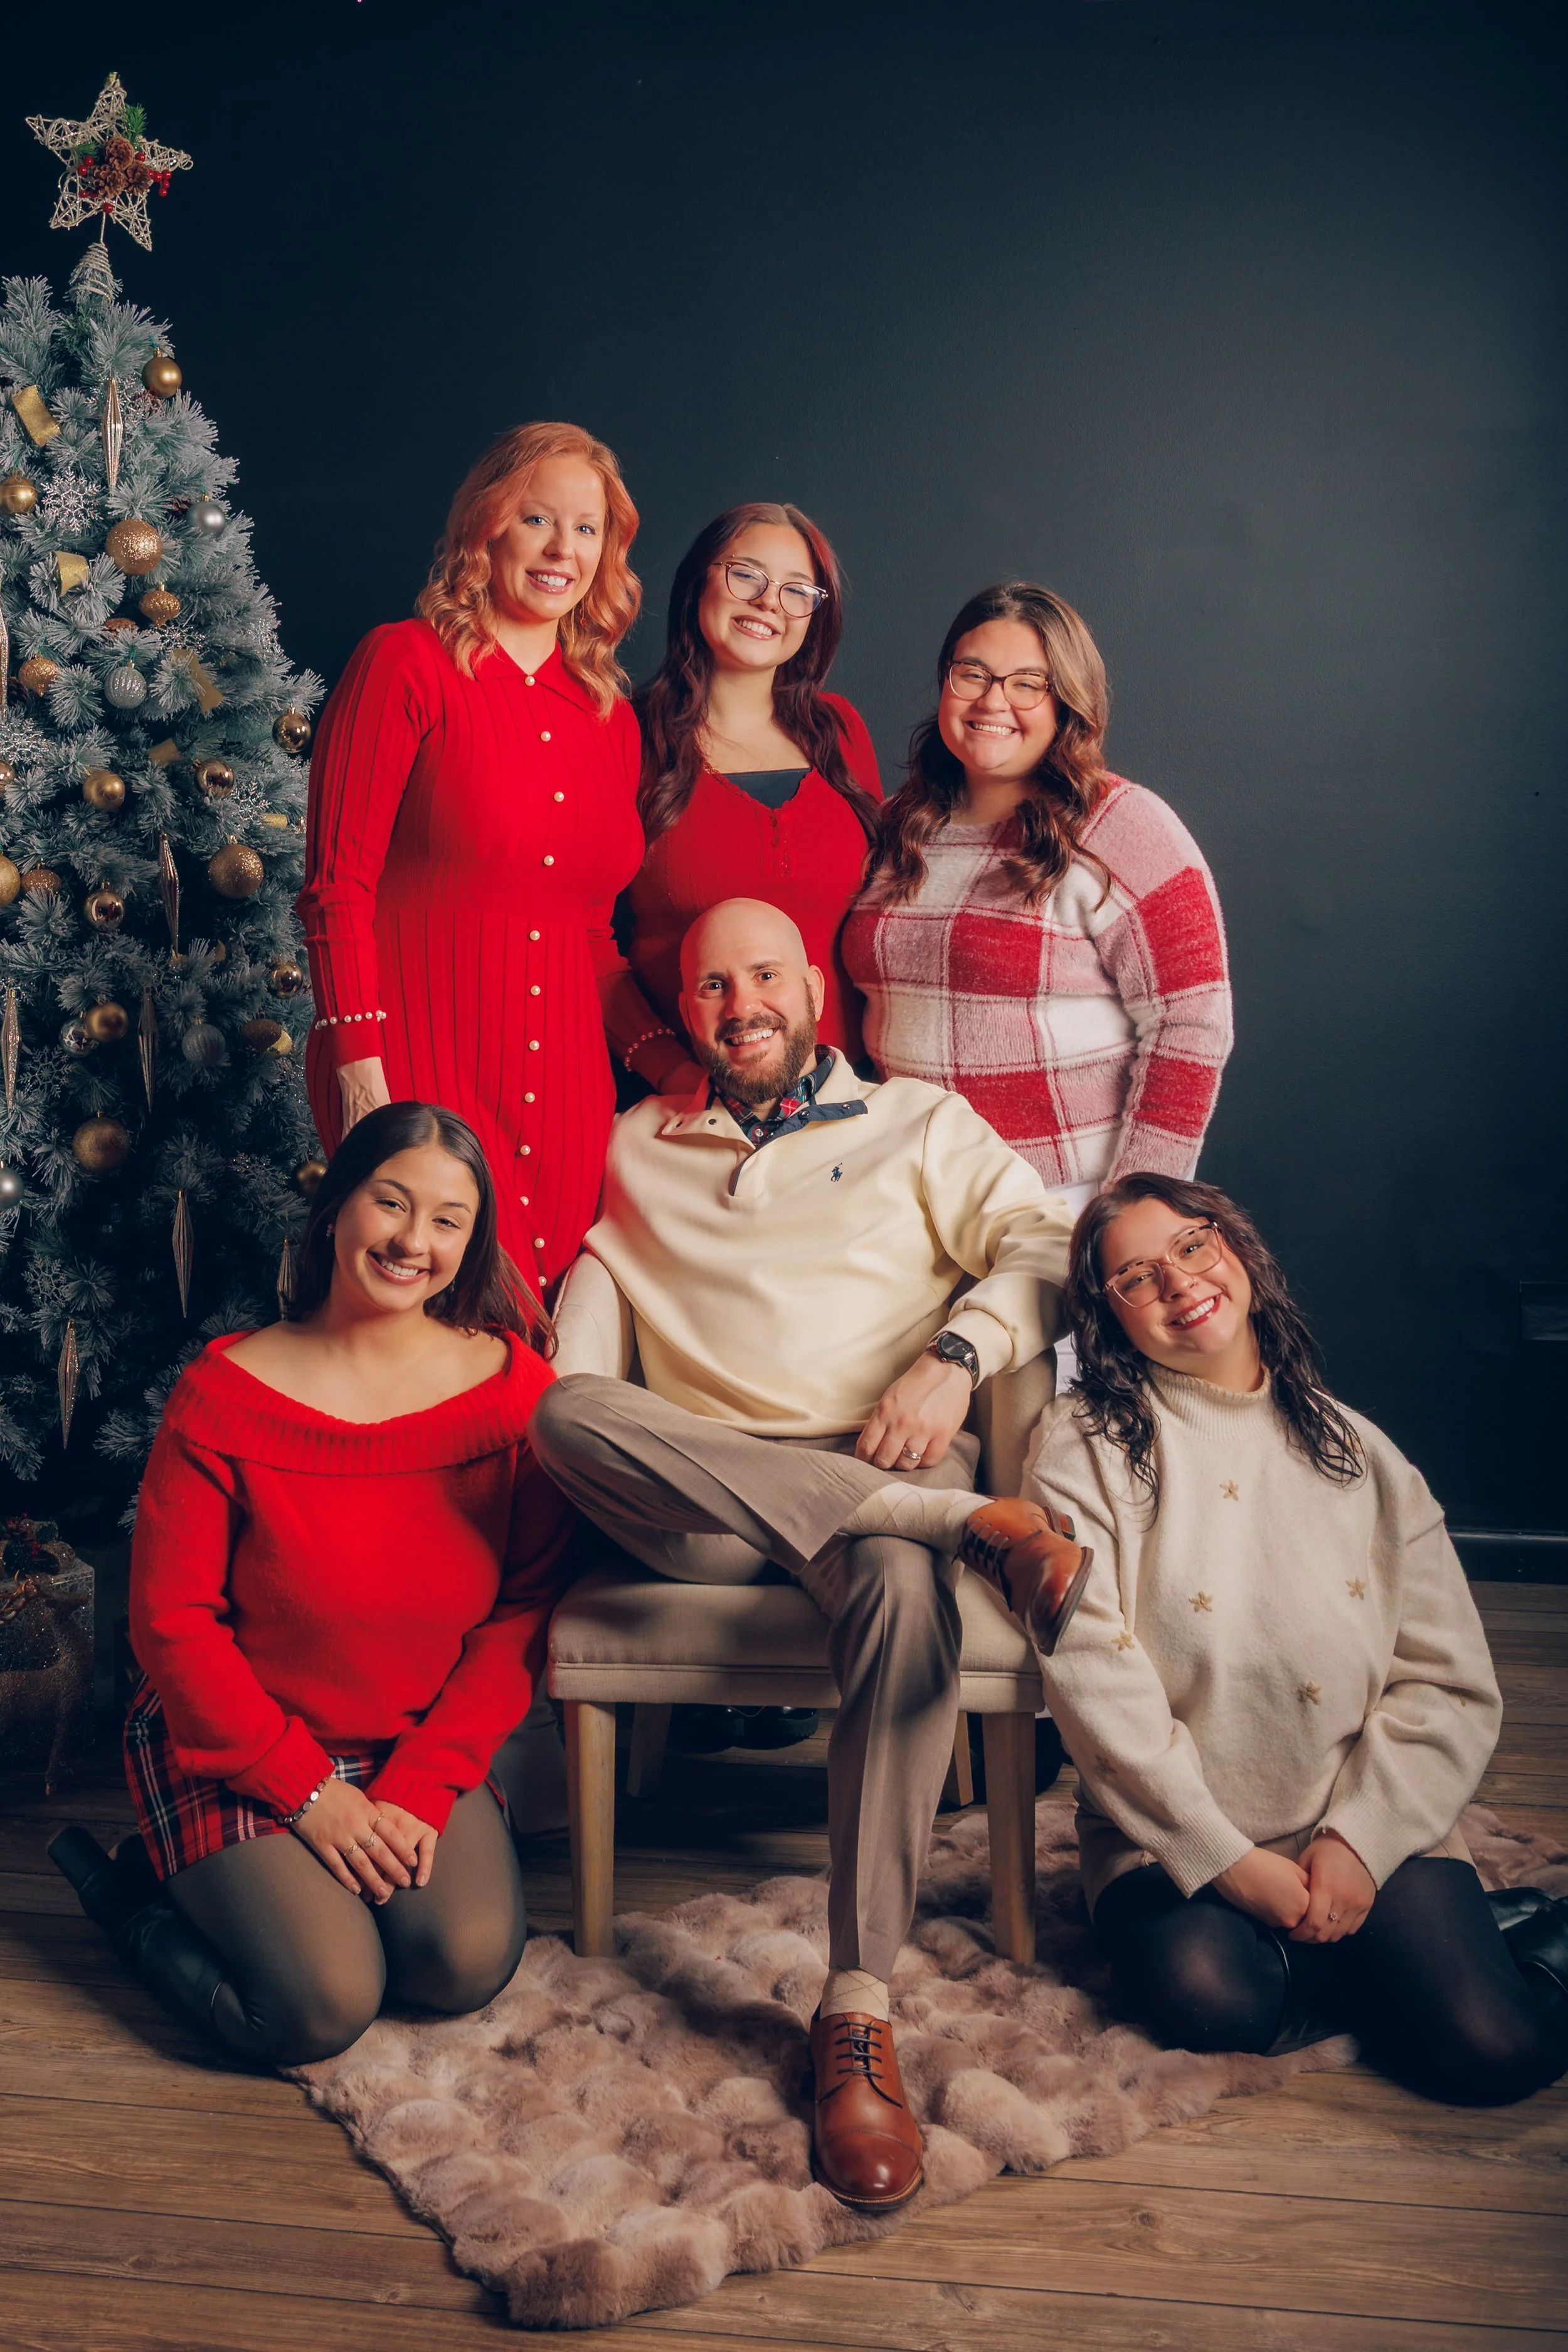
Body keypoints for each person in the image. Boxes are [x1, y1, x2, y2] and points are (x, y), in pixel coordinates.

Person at [529, 896, 1092, 2212]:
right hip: (701, 1508)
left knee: (896, 1584)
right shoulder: (633, 1146)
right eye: (712, 987)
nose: (741, 1007)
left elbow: (1048, 1244)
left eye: (764, 976)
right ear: (685, 1014)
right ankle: (965, 1532)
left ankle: (854, 2012)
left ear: (811, 991)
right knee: (564, 1409)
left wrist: (955, 1362)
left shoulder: (918, 1123)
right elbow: (571, 1336)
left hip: (882, 1466)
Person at [993, 1172, 1568, 2105]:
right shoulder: (1085, 1441)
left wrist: (1361, 1840)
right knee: (1212, 1998)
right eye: (1137, 1278)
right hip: (1164, 1838)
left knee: (1492, 2050)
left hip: (1351, 1811)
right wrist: (1224, 1856)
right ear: (1112, 1318)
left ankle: (1518, 1941)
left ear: (1237, 1251)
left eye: (1191, 1246)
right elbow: (1094, 1679)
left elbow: (1449, 1685)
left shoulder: (1364, 1453)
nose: (1179, 1283)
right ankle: (1430, 1957)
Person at [50, 1104, 572, 2070]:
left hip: (413, 1741)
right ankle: (128, 1899)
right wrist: (309, 1793)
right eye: (391, 1202)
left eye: (449, 1220)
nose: (414, 1240)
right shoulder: (226, 1394)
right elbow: (173, 1626)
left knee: (459, 1964)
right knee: (319, 2006)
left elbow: (522, 1612)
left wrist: (421, 1782)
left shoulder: (514, 1393)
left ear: (473, 1240)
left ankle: (288, 1891)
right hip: (242, 1741)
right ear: (337, 1208)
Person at [297, 421, 644, 1295]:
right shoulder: (403, 664)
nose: (564, 548)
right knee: (414, 1325)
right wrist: (360, 1072)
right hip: (416, 1068)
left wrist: (673, 1068)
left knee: (533, 1362)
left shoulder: (609, 717)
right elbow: (337, 890)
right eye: (538, 519)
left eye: (588, 528)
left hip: (568, 1092)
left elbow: (593, 933)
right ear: (486, 526)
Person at [844, 581, 1233, 1241]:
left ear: (1066, 703)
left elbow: (1190, 1024)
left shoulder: (1123, 827)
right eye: (972, 674)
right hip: (910, 1199)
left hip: (1063, 1204)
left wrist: (1137, 1209)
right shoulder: (897, 824)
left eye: (1029, 682)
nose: (994, 701)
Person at [605, 501, 882, 1103]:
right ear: (700, 579)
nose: (768, 603)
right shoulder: (624, 737)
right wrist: (668, 1070)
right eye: (747, 576)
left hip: (849, 1102)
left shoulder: (842, 733)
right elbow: (583, 938)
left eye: (795, 590)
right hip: (693, 1103)